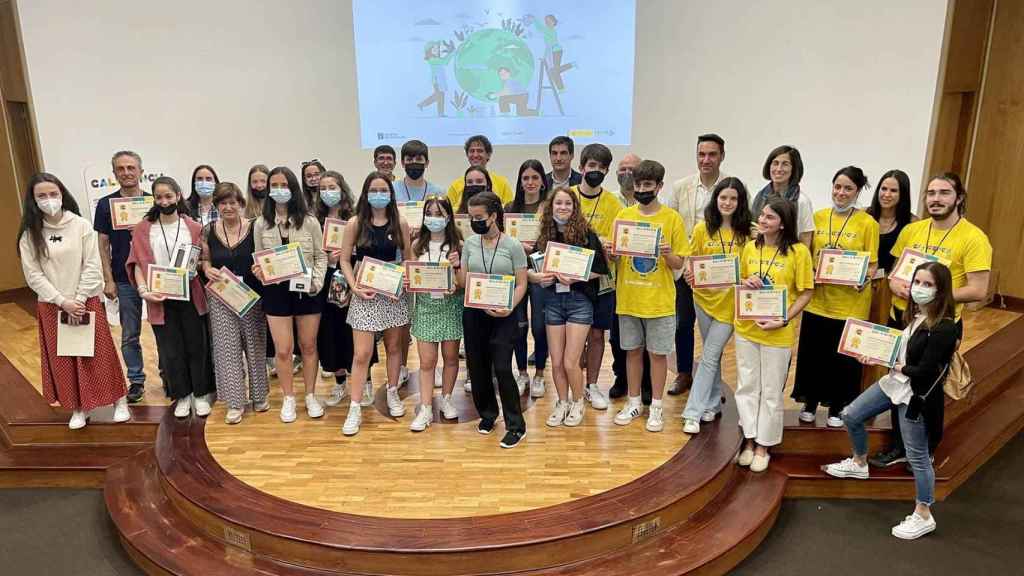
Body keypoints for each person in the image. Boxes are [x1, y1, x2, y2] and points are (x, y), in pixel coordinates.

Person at [826, 261, 958, 540]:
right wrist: (877, 355)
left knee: (918, 457)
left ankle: (924, 513)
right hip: (893, 385)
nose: (919, 289)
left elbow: (925, 371)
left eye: (927, 284)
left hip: (915, 395)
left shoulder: (946, 327)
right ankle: (859, 463)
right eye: (917, 282)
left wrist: (894, 365)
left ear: (941, 290)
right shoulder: (916, 315)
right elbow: (900, 349)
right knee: (851, 415)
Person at [870, 173, 992, 468]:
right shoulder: (914, 230)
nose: (935, 199)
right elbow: (896, 273)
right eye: (931, 193)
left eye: (944, 193)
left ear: (959, 198)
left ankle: (925, 450)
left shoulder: (973, 238)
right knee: (898, 383)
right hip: (902, 319)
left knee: (927, 390)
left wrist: (936, 296)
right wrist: (896, 285)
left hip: (939, 327)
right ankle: (899, 446)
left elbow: (978, 290)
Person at [18, 172, 130, 429]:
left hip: (86, 300)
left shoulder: (80, 225)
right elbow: (33, 274)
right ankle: (79, 408)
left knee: (98, 355)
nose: (49, 200)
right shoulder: (30, 234)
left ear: (62, 195)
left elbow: (92, 264)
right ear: (33, 201)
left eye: (53, 194)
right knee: (65, 358)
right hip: (52, 305)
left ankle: (118, 400)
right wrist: (61, 301)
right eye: (42, 196)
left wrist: (78, 299)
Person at [791, 167, 879, 427]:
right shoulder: (817, 217)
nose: (841, 193)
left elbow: (872, 264)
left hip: (850, 303)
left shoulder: (867, 223)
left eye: (848, 188)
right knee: (813, 354)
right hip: (818, 301)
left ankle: (838, 406)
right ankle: (810, 401)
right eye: (837, 187)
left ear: (858, 191)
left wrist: (864, 277)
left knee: (843, 361)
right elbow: (805, 254)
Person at [734, 198, 814, 472]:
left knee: (770, 391)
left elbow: (806, 291)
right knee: (747, 386)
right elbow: (741, 282)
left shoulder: (798, 252)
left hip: (777, 333)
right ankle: (748, 438)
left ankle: (763, 445)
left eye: (769, 217)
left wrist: (783, 319)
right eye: (762, 215)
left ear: (783, 222)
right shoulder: (749, 248)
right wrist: (745, 282)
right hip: (746, 329)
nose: (763, 220)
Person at [609, 160, 688, 433]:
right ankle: (633, 402)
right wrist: (611, 252)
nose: (642, 189)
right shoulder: (623, 217)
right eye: (639, 185)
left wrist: (667, 253)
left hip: (660, 301)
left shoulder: (672, 219)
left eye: (648, 185)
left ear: (659, 187)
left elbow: (679, 264)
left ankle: (656, 406)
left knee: (657, 355)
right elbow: (614, 258)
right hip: (629, 297)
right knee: (631, 352)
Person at [127, 176, 214, 418]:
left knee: (197, 346)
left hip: (190, 295)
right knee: (170, 350)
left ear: (178, 196)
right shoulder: (143, 228)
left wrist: (197, 267)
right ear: (154, 199)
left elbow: (204, 259)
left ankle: (200, 393)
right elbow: (136, 263)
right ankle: (182, 395)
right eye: (159, 197)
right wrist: (144, 291)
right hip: (159, 299)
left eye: (169, 196)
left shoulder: (194, 227)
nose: (164, 201)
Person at [338, 172, 413, 436]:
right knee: (361, 354)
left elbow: (408, 259)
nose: (379, 195)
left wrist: (403, 279)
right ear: (366, 193)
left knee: (394, 348)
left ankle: (392, 391)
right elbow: (345, 259)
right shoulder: (355, 223)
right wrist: (354, 286)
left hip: (392, 294)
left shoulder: (400, 223)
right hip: (365, 294)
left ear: (391, 195)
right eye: (374, 190)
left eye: (384, 190)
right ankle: (355, 407)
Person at [251, 166, 328, 423]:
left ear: (293, 189)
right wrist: (259, 271)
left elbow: (321, 256)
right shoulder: (261, 224)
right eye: (274, 186)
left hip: (307, 292)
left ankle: (310, 395)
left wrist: (316, 283)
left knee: (308, 346)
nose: (279, 190)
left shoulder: (309, 221)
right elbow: (259, 259)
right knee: (283, 350)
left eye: (284, 185)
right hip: (276, 294)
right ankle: (288, 398)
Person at [531, 187, 609, 427]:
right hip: (553, 301)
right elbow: (532, 269)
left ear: (574, 208)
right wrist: (539, 278)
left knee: (569, 362)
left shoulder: (587, 235)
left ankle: (577, 402)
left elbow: (602, 270)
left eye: (568, 204)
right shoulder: (545, 235)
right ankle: (562, 402)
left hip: (579, 303)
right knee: (555, 362)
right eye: (558, 204)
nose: (563, 208)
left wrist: (576, 277)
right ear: (550, 207)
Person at [680, 177, 753, 434]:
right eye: (723, 197)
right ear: (716, 199)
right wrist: (690, 273)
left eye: (733, 198)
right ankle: (712, 403)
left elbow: (751, 268)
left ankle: (692, 412)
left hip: (730, 305)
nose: (727, 202)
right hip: (703, 300)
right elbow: (691, 260)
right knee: (715, 354)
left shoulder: (749, 233)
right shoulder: (702, 229)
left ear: (740, 202)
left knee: (709, 355)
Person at [456, 191, 529, 448]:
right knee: (478, 366)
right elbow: (463, 283)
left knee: (501, 367)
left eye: (479, 217)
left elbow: (522, 284)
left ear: (494, 216)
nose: (475, 222)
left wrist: (510, 306)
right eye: (471, 217)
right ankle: (487, 414)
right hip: (475, 313)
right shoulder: (469, 244)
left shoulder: (513, 246)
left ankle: (516, 426)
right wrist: (458, 266)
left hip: (504, 314)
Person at [666, 133, 729, 395]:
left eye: (712, 154)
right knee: (683, 324)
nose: (706, 160)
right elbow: (669, 222)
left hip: (716, 273)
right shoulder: (682, 187)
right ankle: (683, 373)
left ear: (721, 156)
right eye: (701, 154)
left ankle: (713, 378)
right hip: (684, 269)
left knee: (714, 330)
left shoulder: (732, 186)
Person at [200, 183, 267, 425]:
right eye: (223, 203)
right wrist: (207, 269)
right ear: (217, 206)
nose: (228, 207)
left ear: (241, 204)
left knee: (255, 344)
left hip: (251, 295)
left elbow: (264, 256)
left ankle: (259, 395)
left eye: (233, 202)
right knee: (227, 349)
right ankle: (235, 403)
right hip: (221, 296)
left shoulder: (255, 227)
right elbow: (204, 259)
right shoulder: (208, 230)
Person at [570, 143, 623, 411]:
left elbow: (617, 247)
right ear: (581, 168)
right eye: (592, 166)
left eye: (602, 168)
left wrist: (610, 248)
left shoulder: (614, 203)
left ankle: (591, 385)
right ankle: (574, 384)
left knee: (597, 334)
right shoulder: (566, 196)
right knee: (575, 335)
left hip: (602, 280)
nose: (596, 171)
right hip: (571, 279)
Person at [93, 150, 149, 403]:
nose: (126, 173)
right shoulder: (106, 205)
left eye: (131, 168)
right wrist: (108, 279)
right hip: (123, 278)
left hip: (153, 276)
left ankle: (169, 374)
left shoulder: (153, 202)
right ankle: (136, 380)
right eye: (121, 169)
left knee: (164, 331)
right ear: (114, 173)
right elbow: (103, 244)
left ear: (141, 171)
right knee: (130, 333)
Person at [408, 196, 464, 431]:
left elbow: (463, 282)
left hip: (450, 307)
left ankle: (447, 399)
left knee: (451, 358)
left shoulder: (458, 244)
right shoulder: (417, 245)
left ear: (448, 217)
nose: (434, 218)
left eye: (439, 214)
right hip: (426, 307)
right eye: (429, 213)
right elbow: (412, 277)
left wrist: (457, 267)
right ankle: (426, 408)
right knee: (427, 361)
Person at [608, 152, 652, 399]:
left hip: (645, 280)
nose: (626, 173)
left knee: (644, 335)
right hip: (616, 280)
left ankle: (645, 384)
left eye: (631, 169)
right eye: (622, 169)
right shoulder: (610, 201)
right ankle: (621, 377)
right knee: (618, 336)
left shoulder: (656, 203)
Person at [316, 171, 359, 408]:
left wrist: (347, 256)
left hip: (352, 279)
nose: (328, 192)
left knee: (356, 333)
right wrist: (324, 258)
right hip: (326, 282)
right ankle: (340, 381)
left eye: (332, 187)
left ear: (342, 189)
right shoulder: (315, 220)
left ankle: (366, 381)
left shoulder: (354, 218)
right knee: (331, 333)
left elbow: (364, 250)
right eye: (323, 188)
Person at [508, 159, 550, 398]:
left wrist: (536, 245)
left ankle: (540, 374)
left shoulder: (550, 207)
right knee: (519, 326)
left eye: (535, 177)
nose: (530, 182)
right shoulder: (510, 207)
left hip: (541, 273)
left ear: (542, 181)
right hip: (518, 274)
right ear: (520, 182)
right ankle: (522, 372)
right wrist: (517, 246)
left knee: (539, 327)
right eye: (526, 178)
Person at [750, 145, 815, 249]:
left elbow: (805, 241)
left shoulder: (802, 201)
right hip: (760, 258)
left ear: (794, 168)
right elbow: (752, 231)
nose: (779, 169)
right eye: (775, 163)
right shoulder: (759, 197)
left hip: (789, 259)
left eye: (785, 164)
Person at [866, 170, 916, 275]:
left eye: (893, 191)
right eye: (883, 189)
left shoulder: (913, 223)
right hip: (861, 281)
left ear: (903, 194)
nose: (887, 194)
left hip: (890, 284)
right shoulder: (863, 215)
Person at [446, 135, 515, 208]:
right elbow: (448, 211)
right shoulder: (455, 185)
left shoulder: (502, 183)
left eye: (480, 151)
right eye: (472, 151)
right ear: (467, 155)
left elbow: (509, 211)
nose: (475, 155)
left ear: (488, 155)